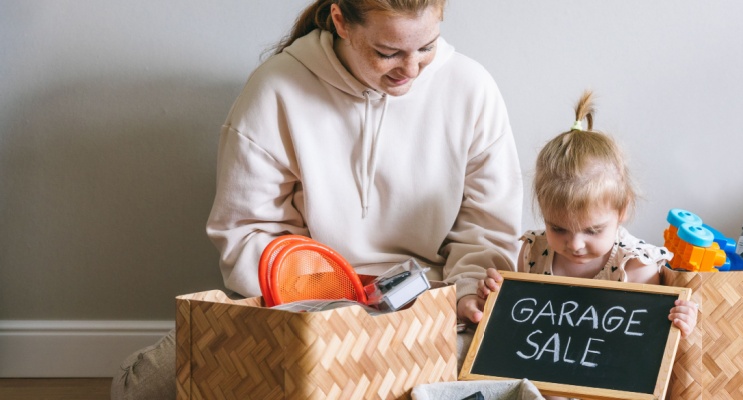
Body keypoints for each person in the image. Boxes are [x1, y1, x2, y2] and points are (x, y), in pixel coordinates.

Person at [111, 0, 521, 398]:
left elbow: (486, 230)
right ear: (341, 21)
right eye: (388, 52)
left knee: (499, 375)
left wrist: (467, 293)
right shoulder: (276, 88)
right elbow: (247, 233)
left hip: (428, 305)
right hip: (299, 302)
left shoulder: (472, 88)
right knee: (142, 388)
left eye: (427, 47)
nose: (411, 69)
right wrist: (328, 311)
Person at [477, 90, 699, 338]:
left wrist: (679, 325)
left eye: (593, 230)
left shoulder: (635, 267)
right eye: (558, 228)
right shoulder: (533, 253)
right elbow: (522, 324)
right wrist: (499, 299)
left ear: (622, 209)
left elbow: (646, 342)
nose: (575, 244)